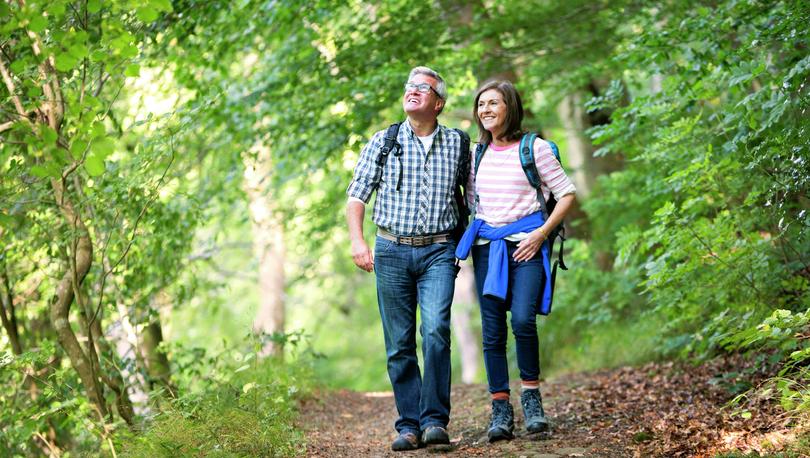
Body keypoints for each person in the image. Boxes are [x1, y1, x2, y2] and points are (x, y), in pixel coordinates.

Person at [346, 66, 468, 451]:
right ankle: (408, 425)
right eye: (410, 86)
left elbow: (476, 199)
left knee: (435, 332)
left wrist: (467, 247)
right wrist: (356, 241)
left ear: (439, 103)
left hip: (439, 250)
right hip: (391, 250)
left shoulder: (459, 144)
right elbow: (356, 196)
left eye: (423, 88)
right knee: (399, 343)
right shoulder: (383, 141)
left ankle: (435, 421)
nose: (413, 92)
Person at [455, 80, 576, 442]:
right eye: (481, 105)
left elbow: (566, 193)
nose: (485, 110)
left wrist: (541, 234)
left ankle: (532, 399)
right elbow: (473, 202)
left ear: (510, 107)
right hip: (488, 249)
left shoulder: (534, 148)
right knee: (492, 332)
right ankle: (500, 408)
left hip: (527, 245)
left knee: (523, 319)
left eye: (493, 103)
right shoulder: (477, 153)